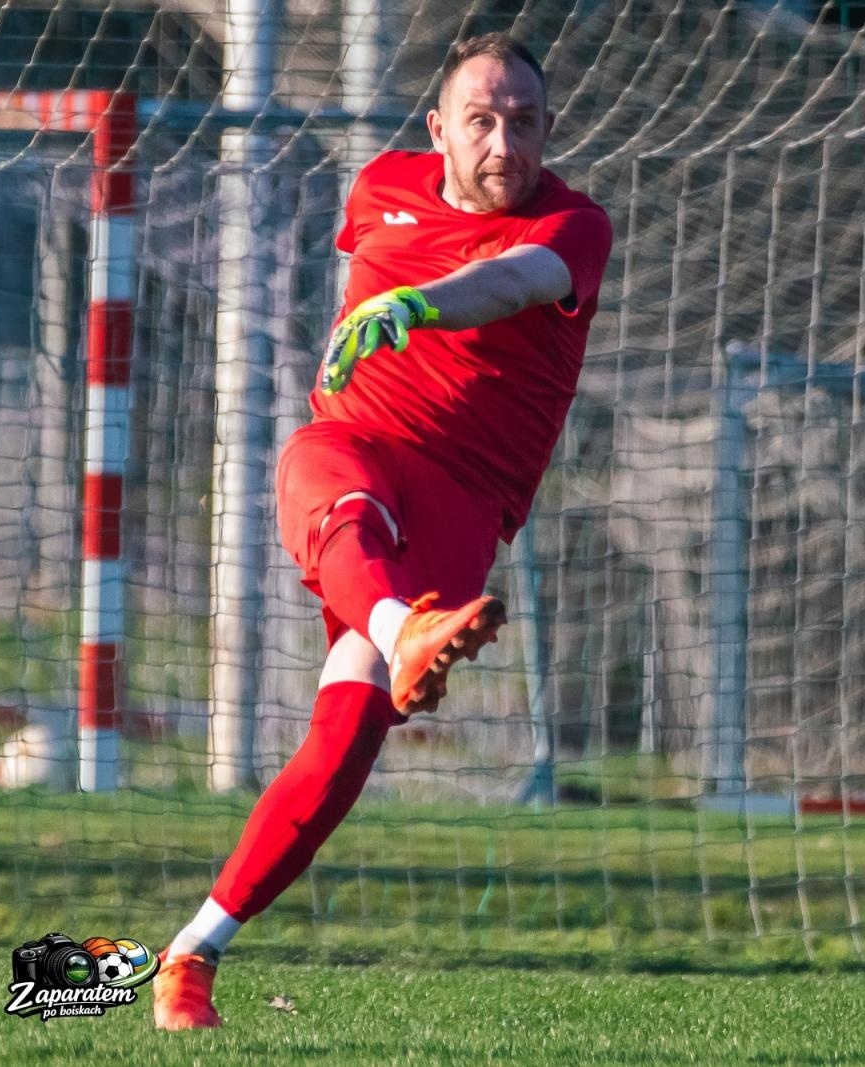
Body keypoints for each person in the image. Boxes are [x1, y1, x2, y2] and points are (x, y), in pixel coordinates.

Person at [152, 32, 612, 1031]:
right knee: (335, 489)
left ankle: (190, 953)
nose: (505, 142)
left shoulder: (574, 225)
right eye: (482, 120)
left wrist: (418, 304)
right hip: (352, 441)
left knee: (347, 734)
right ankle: (405, 626)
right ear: (438, 128)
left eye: (525, 122)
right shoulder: (380, 186)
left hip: (458, 498)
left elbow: (514, 283)